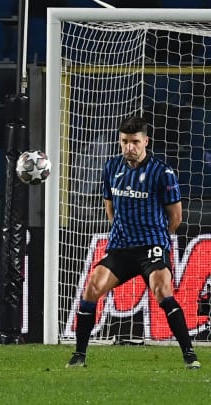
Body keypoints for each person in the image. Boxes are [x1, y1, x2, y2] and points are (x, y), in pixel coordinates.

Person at [66, 116, 201, 370]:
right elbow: (110, 206)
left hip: (151, 246)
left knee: (162, 291)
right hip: (122, 247)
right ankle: (79, 355)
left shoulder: (163, 172)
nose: (130, 147)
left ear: (145, 141)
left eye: (135, 142)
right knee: (92, 287)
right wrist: (121, 231)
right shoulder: (111, 167)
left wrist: (158, 238)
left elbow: (176, 216)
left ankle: (189, 354)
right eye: (125, 141)